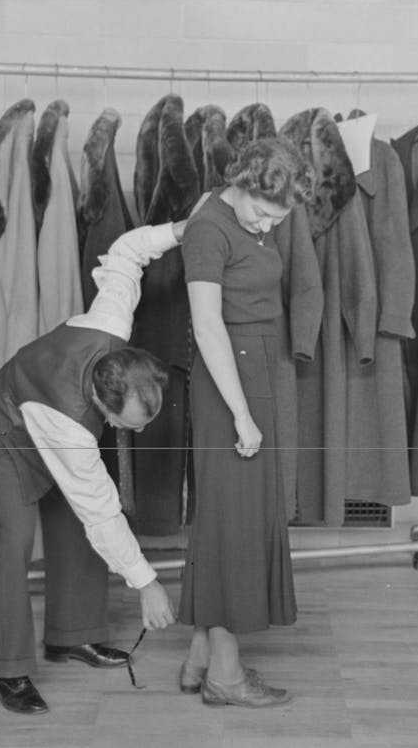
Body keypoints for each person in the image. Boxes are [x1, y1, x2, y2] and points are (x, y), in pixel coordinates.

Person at [0, 217, 197, 716]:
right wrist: (147, 584)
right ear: (100, 397)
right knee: (16, 542)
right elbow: (102, 512)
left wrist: (179, 229)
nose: (133, 431)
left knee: (75, 530)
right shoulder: (71, 428)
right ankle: (7, 671)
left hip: (41, 424)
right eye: (125, 423)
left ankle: (72, 637)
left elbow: (126, 252)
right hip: (2, 438)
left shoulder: (110, 324)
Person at [178, 137, 314, 708]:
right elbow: (207, 326)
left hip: (253, 370)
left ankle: (200, 659)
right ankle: (226, 677)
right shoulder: (208, 227)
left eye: (278, 218)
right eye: (262, 210)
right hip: (226, 380)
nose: (267, 224)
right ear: (243, 179)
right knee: (231, 521)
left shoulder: (249, 215)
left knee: (228, 515)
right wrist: (241, 414)